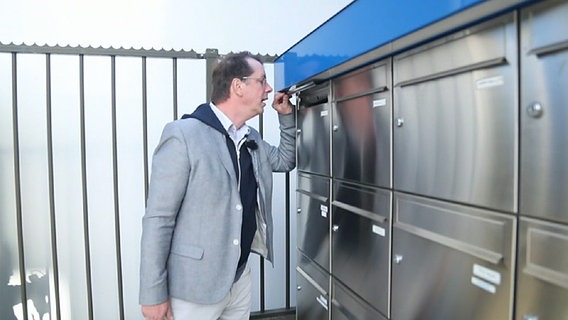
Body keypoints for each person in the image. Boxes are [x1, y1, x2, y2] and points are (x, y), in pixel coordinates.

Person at [139, 51, 296, 320]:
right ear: (238, 86)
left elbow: (284, 160)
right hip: (194, 288)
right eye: (262, 81)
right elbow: (159, 218)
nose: (269, 88)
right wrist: (153, 294)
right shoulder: (184, 134)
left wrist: (286, 116)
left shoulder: (251, 138)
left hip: (239, 277)